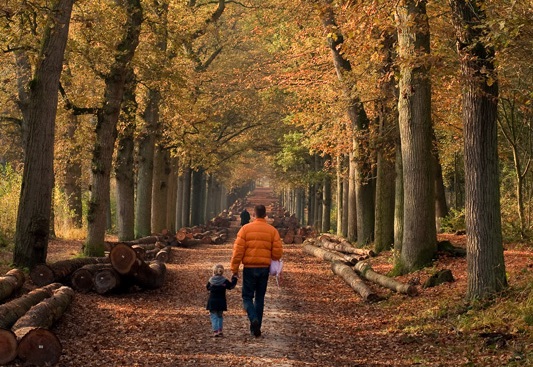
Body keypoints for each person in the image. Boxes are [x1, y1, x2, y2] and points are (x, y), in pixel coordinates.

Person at [230, 204, 283, 337]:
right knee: (259, 297)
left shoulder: (245, 230)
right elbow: (277, 254)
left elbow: (238, 252)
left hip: (249, 268)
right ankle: (256, 327)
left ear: (253, 215)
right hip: (264, 268)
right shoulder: (272, 231)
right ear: (265, 215)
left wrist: (234, 269)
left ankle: (253, 318)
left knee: (247, 297)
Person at [206, 264, 238, 337]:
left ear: (214, 271)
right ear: (222, 272)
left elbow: (207, 288)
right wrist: (234, 277)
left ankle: (215, 331)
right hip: (221, 301)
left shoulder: (211, 281)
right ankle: (220, 330)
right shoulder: (224, 281)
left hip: (212, 301)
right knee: (220, 316)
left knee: (214, 316)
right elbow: (231, 286)